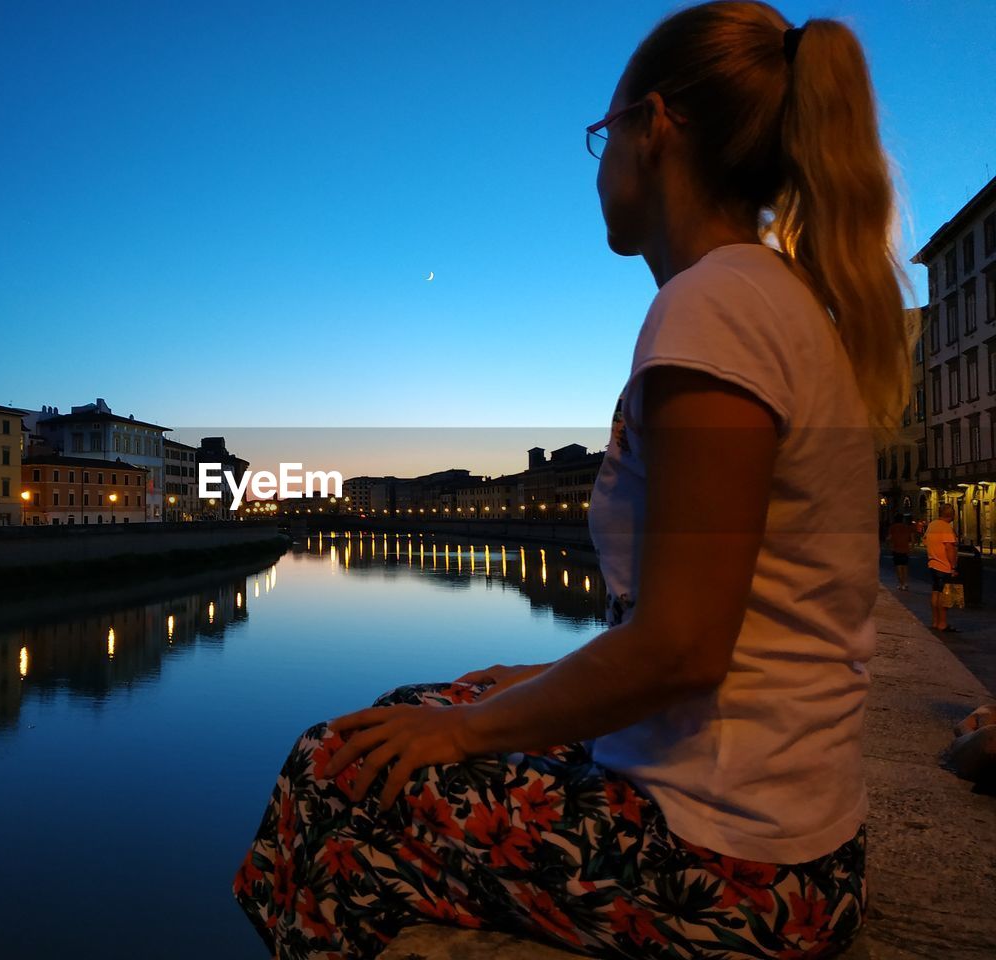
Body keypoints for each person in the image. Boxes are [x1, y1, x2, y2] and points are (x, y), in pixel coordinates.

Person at [234, 3, 910, 957]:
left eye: (602, 136)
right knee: (415, 708)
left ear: (655, 126)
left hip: (730, 866)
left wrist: (474, 736)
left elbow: (682, 648)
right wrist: (534, 684)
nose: (597, 168)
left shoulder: (712, 306)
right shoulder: (775, 295)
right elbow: (738, 623)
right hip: (782, 831)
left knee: (326, 773)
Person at [924, 504, 959, 632]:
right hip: (944, 566)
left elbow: (925, 541)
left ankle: (935, 621)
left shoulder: (932, 525)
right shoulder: (946, 528)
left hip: (933, 564)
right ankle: (942, 623)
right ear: (952, 515)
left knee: (935, 592)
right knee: (944, 596)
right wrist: (953, 566)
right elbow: (949, 549)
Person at [886, 512, 913, 591]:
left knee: (898, 566)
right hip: (905, 549)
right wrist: (911, 547)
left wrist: (888, 543)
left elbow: (889, 538)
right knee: (905, 566)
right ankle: (905, 582)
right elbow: (911, 538)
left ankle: (901, 584)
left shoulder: (892, 527)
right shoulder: (906, 527)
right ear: (902, 519)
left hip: (896, 549)